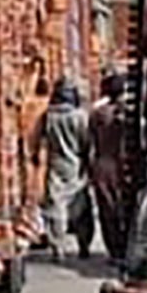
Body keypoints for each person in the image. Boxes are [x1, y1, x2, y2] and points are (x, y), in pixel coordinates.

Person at [78, 71, 130, 265]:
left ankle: (114, 249)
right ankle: (122, 247)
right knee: (121, 208)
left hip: (103, 164)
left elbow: (89, 142)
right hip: (122, 164)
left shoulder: (98, 113)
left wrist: (86, 167)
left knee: (107, 210)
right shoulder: (124, 112)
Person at [36, 79, 88, 260]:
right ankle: (83, 245)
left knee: (55, 207)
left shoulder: (48, 117)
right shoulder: (80, 116)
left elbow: (37, 140)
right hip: (77, 166)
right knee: (80, 206)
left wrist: (35, 156)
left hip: (55, 166)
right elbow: (86, 143)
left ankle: (58, 247)